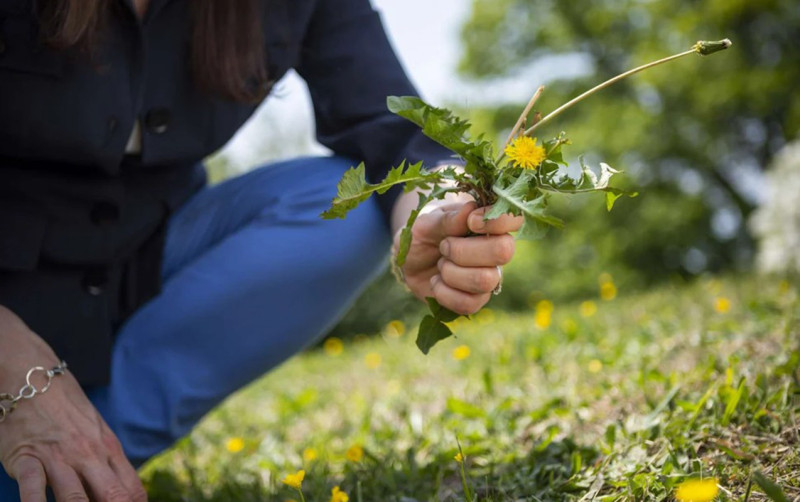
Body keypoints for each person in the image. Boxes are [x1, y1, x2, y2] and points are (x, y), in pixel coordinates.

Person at [0, 0, 522, 500]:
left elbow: (392, 131)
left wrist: (439, 204)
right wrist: (11, 362)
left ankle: (95, 450)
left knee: (343, 201)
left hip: (147, 257)